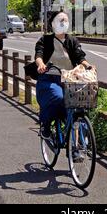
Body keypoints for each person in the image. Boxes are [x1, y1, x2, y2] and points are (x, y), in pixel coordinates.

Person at [35, 11, 93, 141]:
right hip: (49, 78)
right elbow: (39, 55)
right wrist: (41, 64)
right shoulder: (45, 40)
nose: (64, 23)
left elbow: (80, 57)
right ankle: (46, 124)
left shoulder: (72, 40)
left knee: (76, 110)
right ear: (53, 24)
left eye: (66, 20)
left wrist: (88, 66)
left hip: (69, 79)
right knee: (58, 96)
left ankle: (76, 147)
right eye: (60, 20)